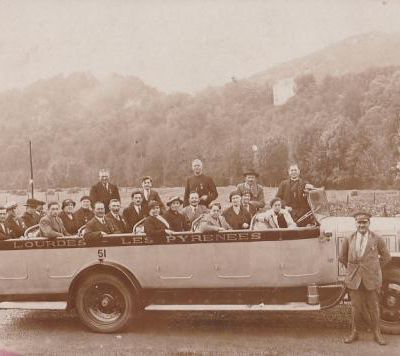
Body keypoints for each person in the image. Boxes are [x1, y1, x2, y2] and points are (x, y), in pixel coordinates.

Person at [339, 212, 391, 345]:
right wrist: (352, 269)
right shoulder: (349, 238)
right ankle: (354, 332)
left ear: (369, 223)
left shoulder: (377, 238)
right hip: (354, 279)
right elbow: (342, 257)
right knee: (356, 308)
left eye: (364, 222)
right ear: (355, 223)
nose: (361, 225)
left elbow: (386, 257)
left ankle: (377, 333)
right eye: (359, 222)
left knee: (374, 307)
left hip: (371, 279)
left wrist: (375, 268)